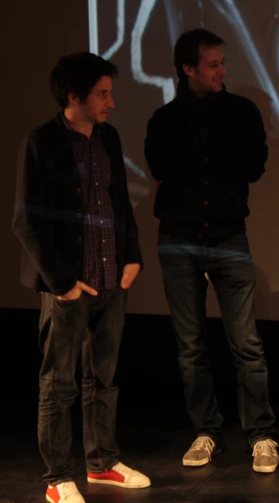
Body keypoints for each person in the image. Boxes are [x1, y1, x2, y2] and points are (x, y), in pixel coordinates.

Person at [13, 52, 149, 503]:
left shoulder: (107, 138)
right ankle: (57, 476)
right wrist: (62, 282)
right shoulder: (43, 141)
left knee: (104, 379)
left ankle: (102, 462)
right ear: (75, 97)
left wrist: (133, 256)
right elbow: (25, 221)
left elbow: (119, 204)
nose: (111, 102)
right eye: (102, 94)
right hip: (69, 286)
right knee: (59, 383)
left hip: (111, 279)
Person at [144, 29, 278, 473]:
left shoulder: (242, 112)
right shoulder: (164, 120)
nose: (222, 71)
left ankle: (261, 434)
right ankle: (207, 430)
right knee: (189, 344)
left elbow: (257, 167)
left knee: (247, 343)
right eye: (214, 64)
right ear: (189, 69)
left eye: (223, 63)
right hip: (178, 239)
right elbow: (158, 167)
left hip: (227, 235)